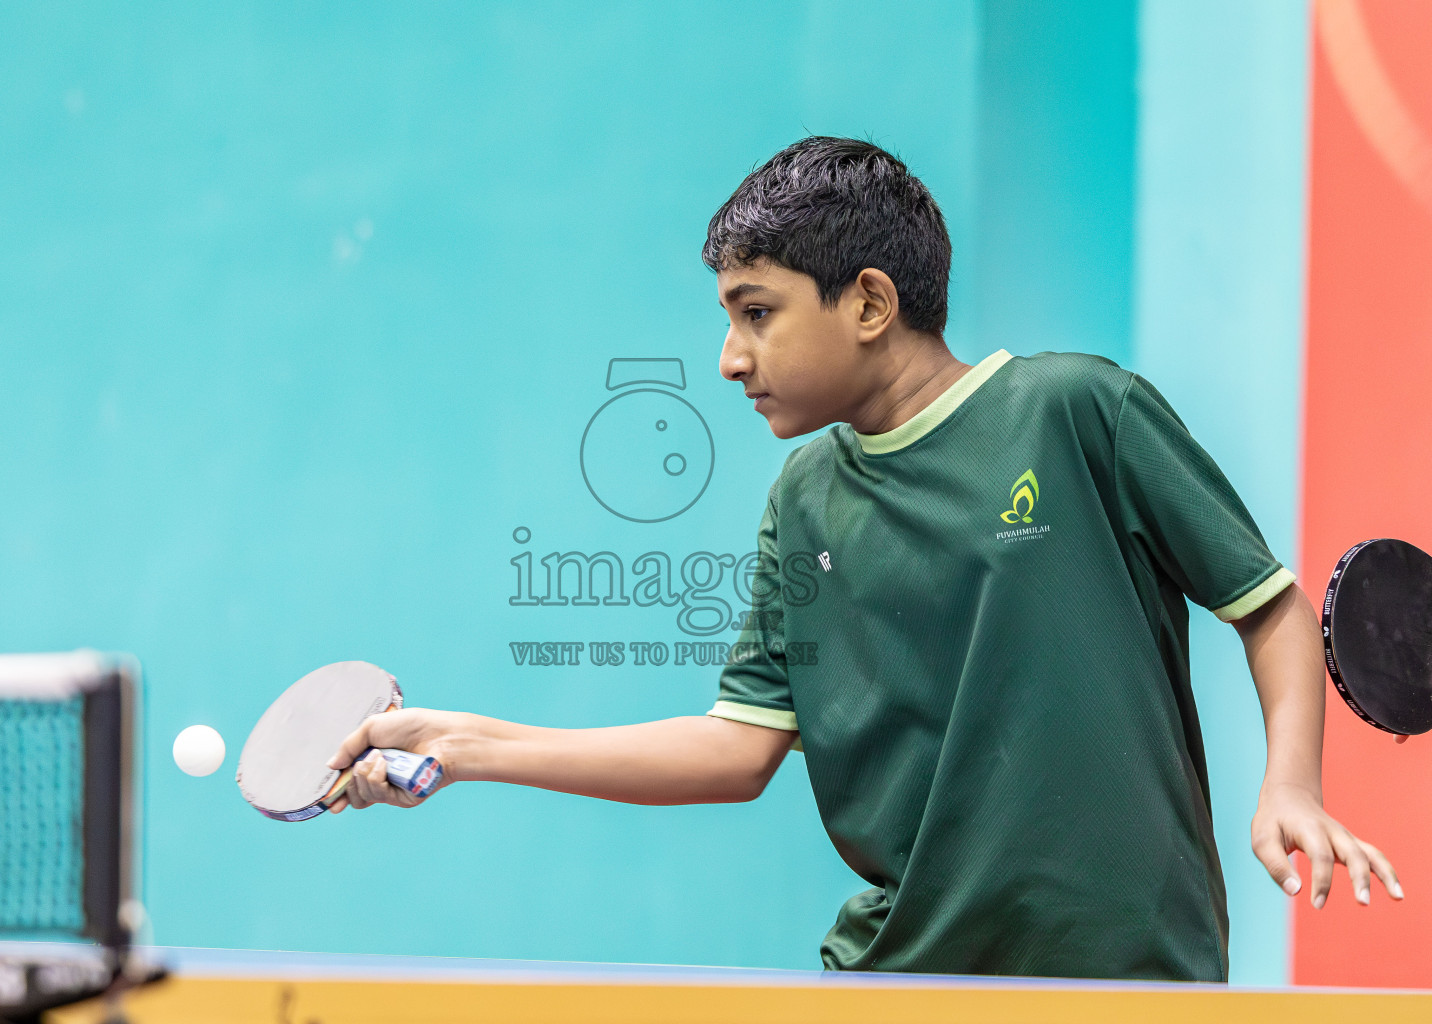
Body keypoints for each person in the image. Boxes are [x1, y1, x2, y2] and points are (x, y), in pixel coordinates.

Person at [328, 136, 1402, 980]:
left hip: (1126, 975)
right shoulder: (805, 495)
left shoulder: (1079, 412)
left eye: (758, 313)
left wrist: (1291, 785)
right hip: (904, 977)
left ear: (872, 303)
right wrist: (468, 743)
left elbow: (1266, 607)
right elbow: (736, 749)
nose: (728, 358)